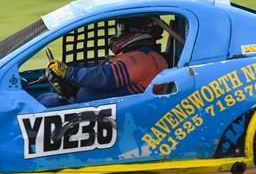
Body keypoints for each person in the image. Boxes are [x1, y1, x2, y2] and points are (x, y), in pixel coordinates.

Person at [38, 17, 168, 107]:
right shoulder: (144, 55)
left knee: (48, 103)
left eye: (121, 30)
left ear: (137, 31)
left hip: (109, 115)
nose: (117, 34)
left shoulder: (141, 60)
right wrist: (70, 87)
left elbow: (104, 77)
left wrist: (69, 73)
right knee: (46, 98)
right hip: (97, 109)